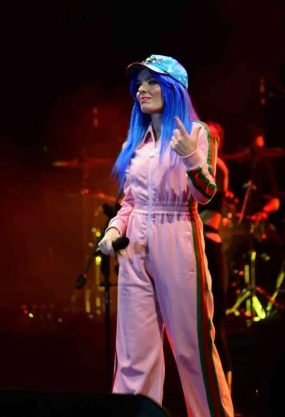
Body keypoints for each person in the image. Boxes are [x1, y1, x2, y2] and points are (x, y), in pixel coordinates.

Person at [98, 54, 234, 417]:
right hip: (135, 246)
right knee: (134, 352)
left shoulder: (197, 133)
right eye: (139, 84)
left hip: (178, 236)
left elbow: (205, 194)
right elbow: (130, 202)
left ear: (173, 88)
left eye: (152, 82)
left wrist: (191, 158)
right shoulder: (136, 143)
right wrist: (114, 229)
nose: (141, 89)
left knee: (192, 347)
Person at [197, 121, 233, 393]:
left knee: (215, 320)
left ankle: (225, 392)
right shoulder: (194, 166)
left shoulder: (217, 167)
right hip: (195, 245)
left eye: (210, 136)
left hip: (208, 244)